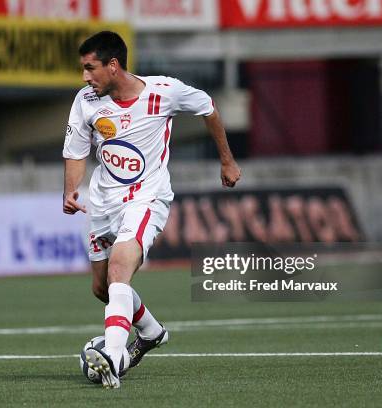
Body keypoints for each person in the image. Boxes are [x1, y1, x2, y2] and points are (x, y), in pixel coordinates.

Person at [62, 31, 241, 388]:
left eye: (90, 68)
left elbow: (207, 106)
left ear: (113, 66)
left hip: (146, 198)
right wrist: (70, 191)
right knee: (103, 288)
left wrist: (227, 160)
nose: (85, 77)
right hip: (102, 203)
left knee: (119, 270)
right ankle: (151, 331)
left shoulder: (164, 91)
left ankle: (113, 355)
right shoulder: (86, 101)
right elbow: (76, 150)